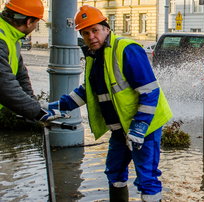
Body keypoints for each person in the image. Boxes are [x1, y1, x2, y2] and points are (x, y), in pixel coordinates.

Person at [42, 5, 172, 202]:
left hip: (145, 127)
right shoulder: (94, 56)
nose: (91, 36)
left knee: (147, 178)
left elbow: (149, 92)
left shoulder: (126, 49)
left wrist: (140, 126)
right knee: (114, 172)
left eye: (95, 30)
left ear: (106, 28)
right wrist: (60, 106)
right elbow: (88, 91)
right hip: (120, 129)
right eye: (85, 33)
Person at [0, 0, 68, 122]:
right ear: (28, 21)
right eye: (36, 23)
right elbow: (4, 84)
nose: (35, 26)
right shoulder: (2, 38)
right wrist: (36, 112)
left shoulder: (11, 37)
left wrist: (35, 107)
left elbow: (21, 76)